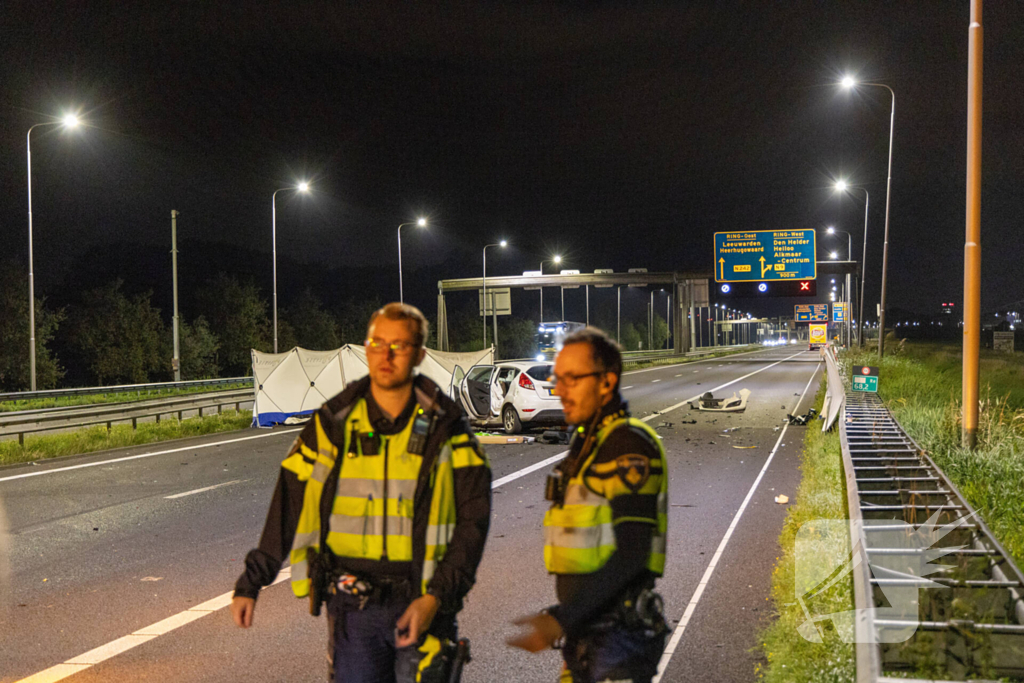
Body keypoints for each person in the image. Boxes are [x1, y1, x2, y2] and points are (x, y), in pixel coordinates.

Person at [231, 302, 492, 683]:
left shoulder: (446, 428)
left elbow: (474, 521)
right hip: (353, 609)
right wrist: (252, 581)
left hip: (423, 606)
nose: (385, 355)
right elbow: (290, 497)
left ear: (419, 354)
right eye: (376, 343)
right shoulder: (333, 422)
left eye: (399, 346)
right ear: (366, 348)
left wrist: (436, 597)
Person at [508, 327, 668, 683]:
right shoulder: (590, 442)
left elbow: (632, 553)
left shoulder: (626, 446)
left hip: (616, 639)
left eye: (571, 379)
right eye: (556, 378)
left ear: (606, 382)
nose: (558, 389)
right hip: (589, 631)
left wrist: (559, 620)